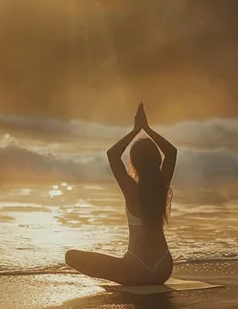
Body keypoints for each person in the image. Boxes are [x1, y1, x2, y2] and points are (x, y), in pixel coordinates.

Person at [65, 102, 177, 285]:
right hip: (165, 268)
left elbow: (113, 154)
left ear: (134, 163)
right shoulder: (162, 186)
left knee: (71, 256)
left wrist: (136, 130)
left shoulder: (131, 190)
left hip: (136, 270)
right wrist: (147, 129)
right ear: (157, 161)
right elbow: (171, 153)